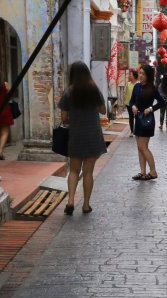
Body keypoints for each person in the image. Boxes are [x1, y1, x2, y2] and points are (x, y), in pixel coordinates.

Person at [58, 61, 107, 215]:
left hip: (76, 135)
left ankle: (71, 201)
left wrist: (76, 118)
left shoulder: (68, 92)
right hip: (93, 135)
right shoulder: (94, 90)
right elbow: (103, 111)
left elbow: (64, 117)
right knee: (88, 172)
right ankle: (86, 205)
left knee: (73, 170)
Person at [127, 64, 167, 180]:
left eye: (143, 74)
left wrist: (150, 109)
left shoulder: (152, 88)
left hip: (147, 121)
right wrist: (133, 106)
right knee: (139, 147)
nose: (140, 75)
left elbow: (162, 102)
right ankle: (143, 172)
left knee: (143, 147)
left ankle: (153, 171)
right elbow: (131, 102)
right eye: (140, 73)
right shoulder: (137, 87)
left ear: (148, 75)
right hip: (138, 120)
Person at [0, 71, 14, 161]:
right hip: (4, 110)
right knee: (5, 132)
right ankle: (1, 152)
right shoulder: (5, 85)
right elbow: (10, 95)